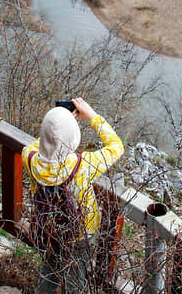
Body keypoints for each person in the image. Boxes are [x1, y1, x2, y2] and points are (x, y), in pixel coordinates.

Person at [22, 97, 125, 294]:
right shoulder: (83, 165)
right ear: (74, 139)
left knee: (49, 268)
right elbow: (116, 146)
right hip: (81, 233)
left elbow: (44, 142)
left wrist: (56, 126)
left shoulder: (30, 159)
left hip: (48, 226)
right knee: (76, 275)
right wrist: (92, 116)